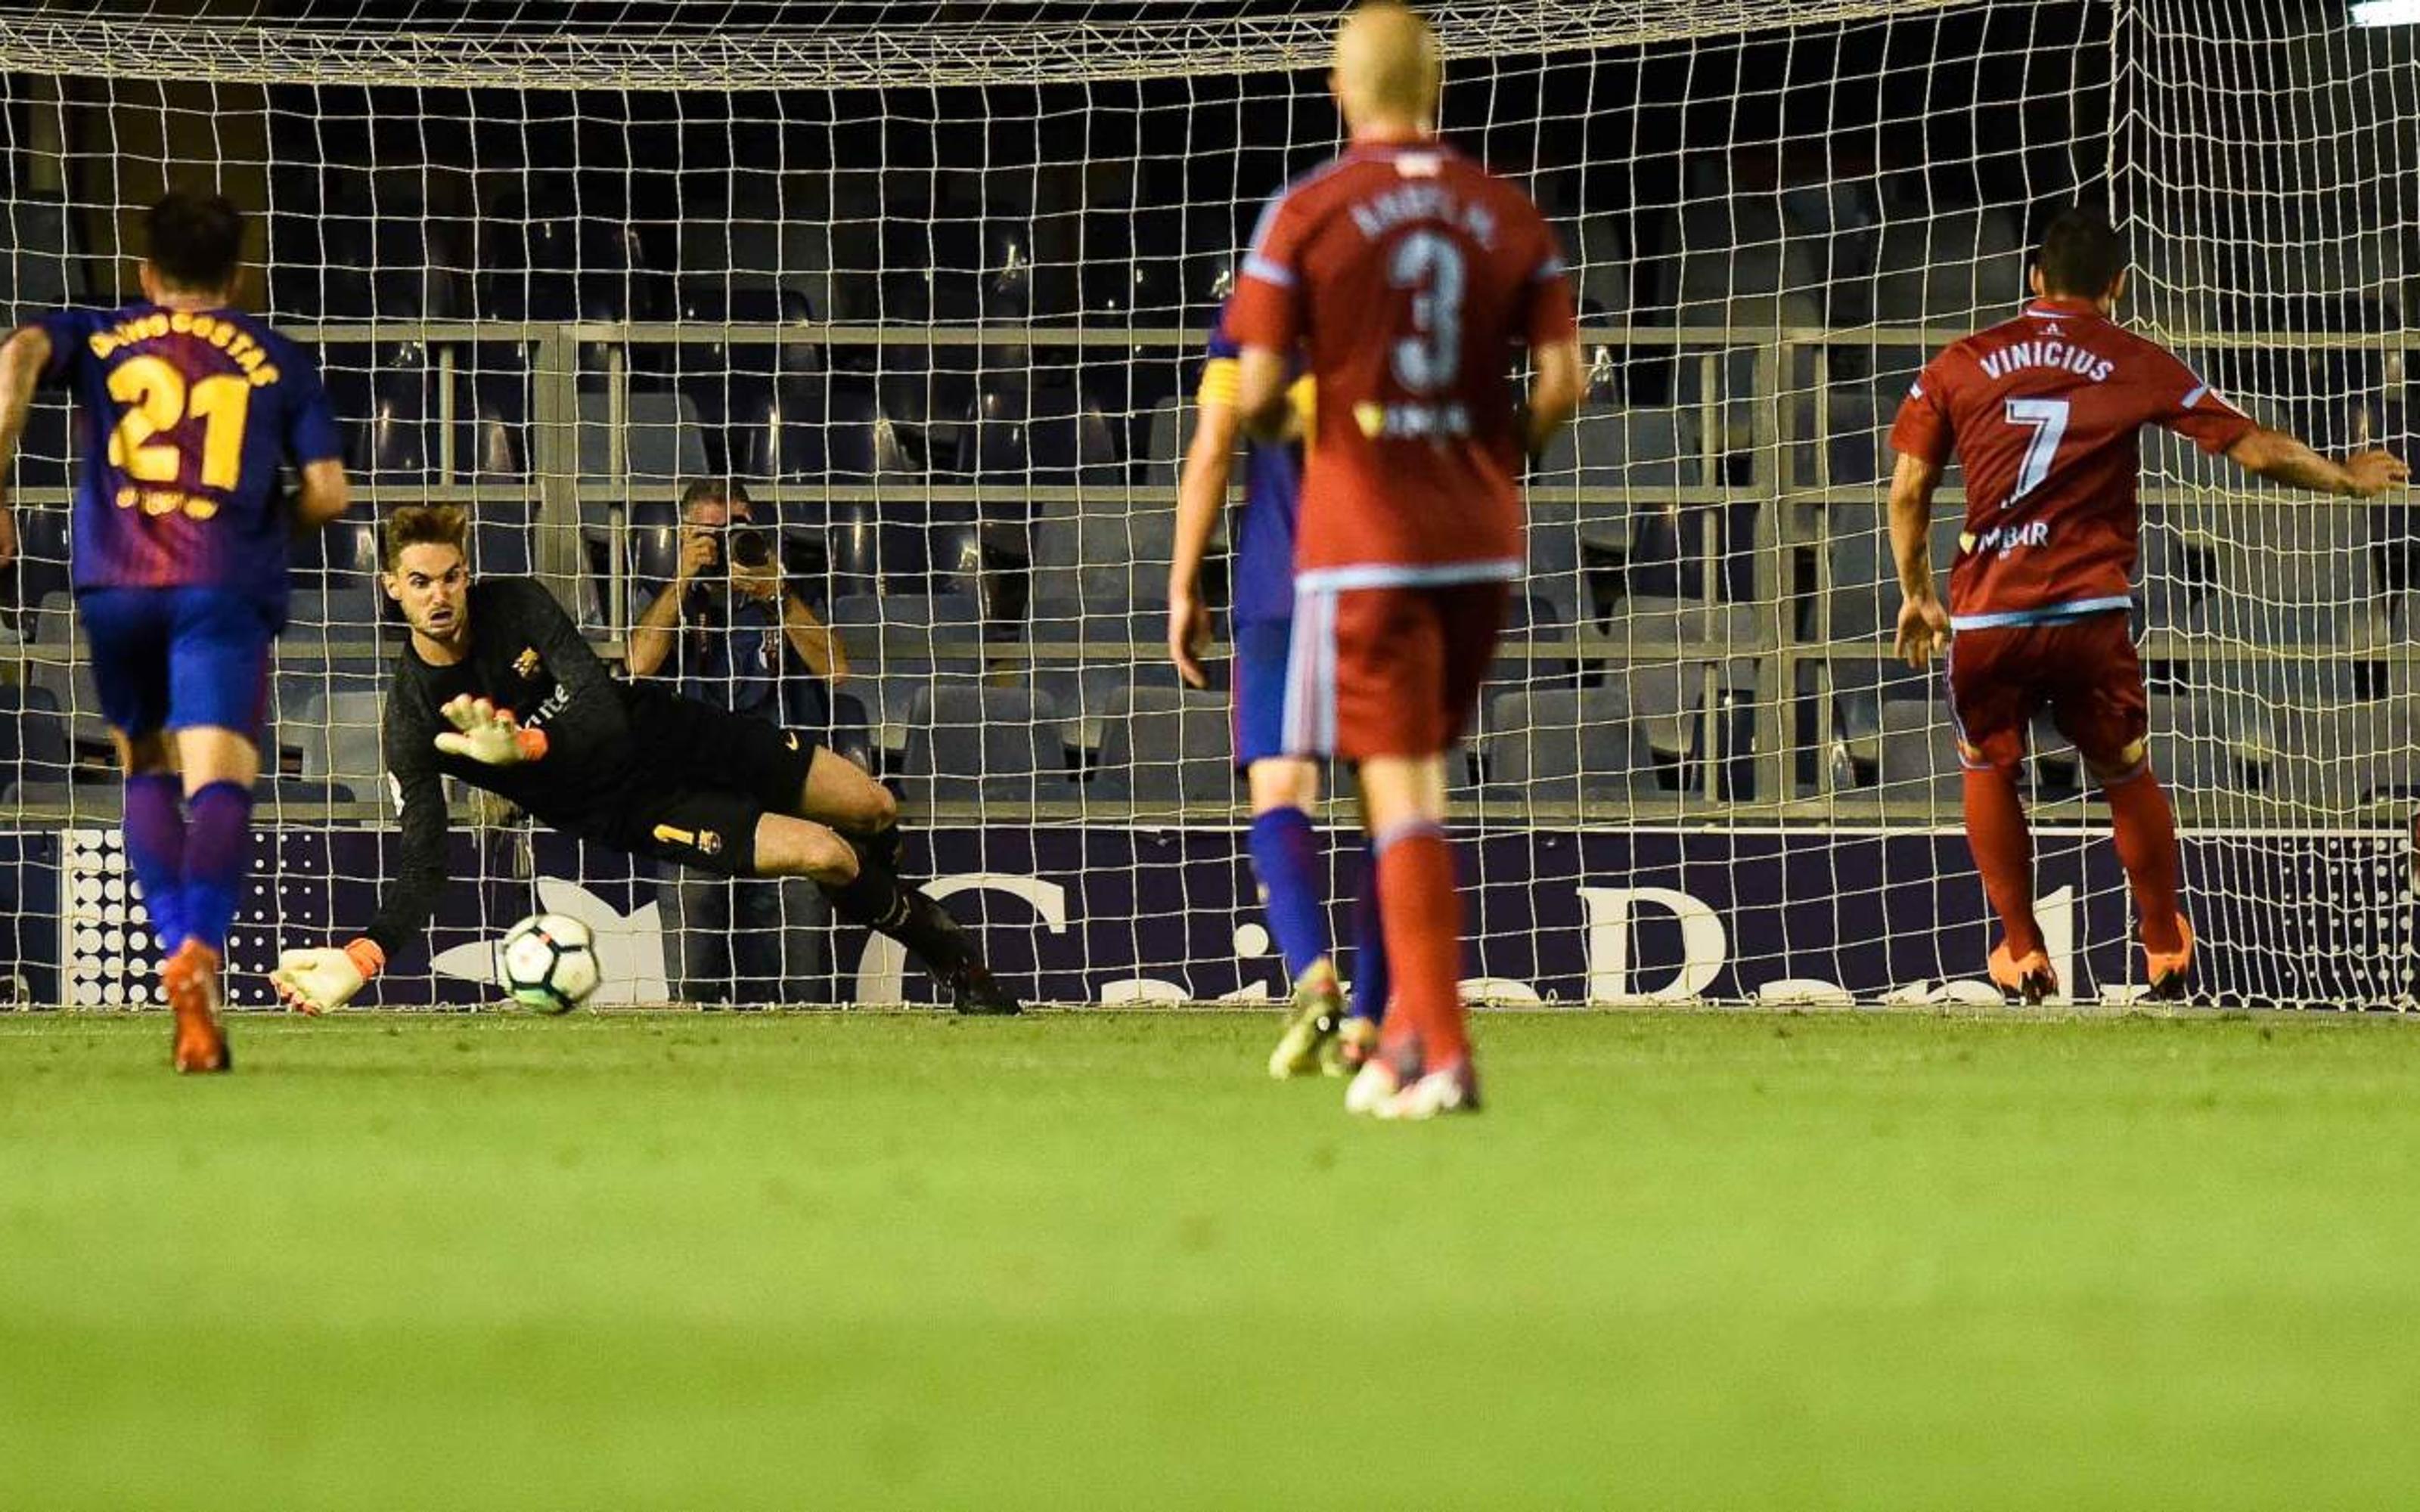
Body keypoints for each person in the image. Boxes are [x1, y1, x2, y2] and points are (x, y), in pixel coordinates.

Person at [1888, 206, 2408, 1003]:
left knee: (1988, 762)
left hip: (1989, 611)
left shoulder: (1959, 362)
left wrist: (1919, 594)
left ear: (2033, 277)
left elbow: (1909, 490)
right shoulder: (2132, 357)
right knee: (2124, 770)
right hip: (2087, 615)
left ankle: (2021, 951)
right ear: (2115, 285)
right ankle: (2163, 944)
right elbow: (2251, 445)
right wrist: (2343, 475)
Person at [1225, 2, 1584, 1118]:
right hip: (1480, 538)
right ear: (1437, 86)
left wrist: (1326, 430)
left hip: (1364, 543)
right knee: (1420, 785)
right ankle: (1404, 1042)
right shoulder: (1509, 212)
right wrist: (1496, 453)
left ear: (1341, 87)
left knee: (1402, 796)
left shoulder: (1308, 213)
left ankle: (1445, 1052)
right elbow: (1564, 384)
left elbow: (1251, 392)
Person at [267, 503, 1022, 1016]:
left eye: (452, 575)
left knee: (874, 807)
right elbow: (425, 861)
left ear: (468, 573)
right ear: (391, 587)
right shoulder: (412, 718)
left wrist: (525, 745)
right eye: (421, 582)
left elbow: (597, 704)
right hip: (640, 808)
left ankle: (884, 893)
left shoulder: (519, 603)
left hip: (672, 731)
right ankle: (956, 964)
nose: (440, 595)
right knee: (825, 853)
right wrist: (362, 956)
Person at [0, 189, 349, 1071]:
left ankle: (171, 939)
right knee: (222, 776)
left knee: (143, 761)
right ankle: (201, 944)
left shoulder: (100, 332)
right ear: (239, 276)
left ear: (146, 272)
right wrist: (267, 526)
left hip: (117, 583)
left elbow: (17, 353)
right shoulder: (277, 357)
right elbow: (330, 494)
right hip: (219, 581)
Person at [1168, 300, 1391, 1078]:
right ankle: (1367, 1023)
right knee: (1387, 809)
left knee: (1279, 790)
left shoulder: (1257, 313)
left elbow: (1211, 450)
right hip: (1382, 593)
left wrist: (1181, 583)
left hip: (1279, 591)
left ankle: (1312, 973)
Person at [627, 479, 846, 1004]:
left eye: (739, 529)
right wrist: (683, 579)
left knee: (804, 978)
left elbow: (837, 668)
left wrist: (779, 594)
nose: (727, 542)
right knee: (694, 975)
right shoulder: (668, 596)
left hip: (784, 793)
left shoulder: (791, 591)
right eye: (712, 532)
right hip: (694, 797)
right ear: (685, 534)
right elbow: (636, 665)